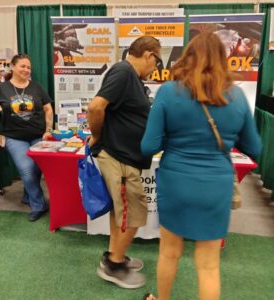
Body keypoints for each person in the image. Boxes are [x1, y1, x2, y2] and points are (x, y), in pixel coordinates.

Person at [141, 31, 262, 300]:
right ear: (222, 59)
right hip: (216, 186)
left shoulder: (169, 92)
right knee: (208, 265)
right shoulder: (237, 97)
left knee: (169, 252)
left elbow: (149, 146)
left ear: (188, 56)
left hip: (176, 183)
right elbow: (255, 149)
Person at [87, 36, 162, 289]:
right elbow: (96, 107)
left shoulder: (131, 77)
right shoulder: (123, 71)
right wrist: (97, 136)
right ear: (149, 55)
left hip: (125, 156)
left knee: (122, 211)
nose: (156, 68)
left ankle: (113, 256)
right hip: (119, 156)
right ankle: (114, 265)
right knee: (133, 212)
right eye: (157, 61)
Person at [0, 53, 53, 222]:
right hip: (14, 137)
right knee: (26, 169)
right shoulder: (2, 89)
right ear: (13, 67)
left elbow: (48, 109)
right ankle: (39, 205)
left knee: (37, 169)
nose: (26, 70)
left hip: (38, 137)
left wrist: (48, 129)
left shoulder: (36, 87)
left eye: (29, 67)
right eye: (22, 66)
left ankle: (28, 196)